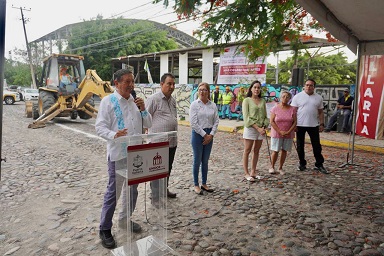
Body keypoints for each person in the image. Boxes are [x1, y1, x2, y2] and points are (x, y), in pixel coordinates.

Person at [95, 69, 152, 249]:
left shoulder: (135, 102)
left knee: (132, 190)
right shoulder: (108, 102)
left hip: (136, 154)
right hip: (118, 155)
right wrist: (114, 134)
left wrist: (143, 110)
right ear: (117, 83)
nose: (131, 85)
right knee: (114, 192)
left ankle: (124, 219)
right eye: (127, 81)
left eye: (132, 81)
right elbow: (99, 127)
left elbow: (149, 124)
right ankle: (104, 228)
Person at [146, 73, 178, 199]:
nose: (171, 86)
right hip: (158, 142)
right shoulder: (153, 99)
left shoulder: (173, 100)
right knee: (156, 169)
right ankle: (155, 193)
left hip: (172, 142)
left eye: (173, 84)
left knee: (167, 168)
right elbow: (145, 118)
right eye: (169, 83)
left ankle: (164, 189)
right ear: (161, 84)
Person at [291, 79, 329, 174]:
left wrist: (321, 124)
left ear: (314, 87)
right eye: (307, 85)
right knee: (300, 146)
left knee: (316, 146)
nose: (308, 87)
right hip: (300, 125)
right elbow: (293, 112)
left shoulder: (318, 98)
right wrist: (293, 124)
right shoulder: (297, 97)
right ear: (304, 86)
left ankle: (319, 164)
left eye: (311, 85)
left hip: (313, 125)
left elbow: (320, 112)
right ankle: (302, 163)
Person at [189, 82, 220, 195]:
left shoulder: (213, 105)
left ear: (208, 92)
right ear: (198, 91)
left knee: (205, 161)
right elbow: (193, 123)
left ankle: (204, 183)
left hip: (209, 134)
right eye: (200, 90)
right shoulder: (194, 105)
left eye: (205, 90)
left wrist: (211, 135)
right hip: (198, 134)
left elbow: (216, 121)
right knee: (197, 160)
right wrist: (204, 135)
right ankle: (196, 184)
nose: (202, 92)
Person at [242, 81, 269, 182]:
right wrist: (257, 128)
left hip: (261, 129)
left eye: (258, 88)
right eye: (255, 87)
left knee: (256, 150)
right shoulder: (247, 100)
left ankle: (253, 171)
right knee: (247, 150)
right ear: (251, 89)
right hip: (251, 128)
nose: (257, 89)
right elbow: (246, 117)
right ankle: (246, 173)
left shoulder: (262, 101)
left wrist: (265, 127)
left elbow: (265, 116)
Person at [269, 90, 297, 175]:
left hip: (288, 133)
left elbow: (295, 122)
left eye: (287, 97)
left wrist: (289, 131)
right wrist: (279, 131)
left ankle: (280, 167)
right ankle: (272, 166)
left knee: (284, 150)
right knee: (275, 150)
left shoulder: (292, 109)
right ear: (280, 97)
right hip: (277, 133)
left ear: (290, 98)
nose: (285, 98)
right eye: (283, 96)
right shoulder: (275, 108)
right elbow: (272, 121)